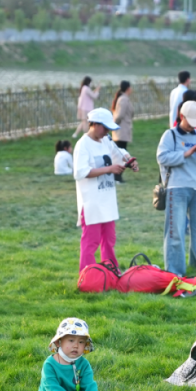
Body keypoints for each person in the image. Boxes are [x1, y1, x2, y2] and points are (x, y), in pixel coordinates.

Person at [35, 317, 162, 391]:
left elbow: (89, 386)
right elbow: (53, 389)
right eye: (71, 340)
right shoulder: (50, 364)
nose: (76, 346)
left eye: (80, 342)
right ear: (59, 342)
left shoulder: (83, 364)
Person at [73, 108, 139, 273]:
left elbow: (119, 154)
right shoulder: (83, 145)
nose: (108, 131)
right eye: (105, 127)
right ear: (94, 124)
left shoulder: (106, 141)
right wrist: (109, 169)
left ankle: (111, 272)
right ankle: (88, 276)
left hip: (107, 200)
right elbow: (80, 172)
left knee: (109, 240)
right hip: (91, 203)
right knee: (91, 242)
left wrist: (129, 161)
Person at [157, 101, 196, 276]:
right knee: (175, 232)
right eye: (191, 121)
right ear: (182, 117)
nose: (193, 126)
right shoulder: (170, 135)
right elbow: (162, 157)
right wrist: (185, 154)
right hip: (177, 187)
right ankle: (174, 272)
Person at [110, 81, 134, 183]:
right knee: (121, 155)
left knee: (120, 154)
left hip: (122, 130)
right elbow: (119, 115)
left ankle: (117, 176)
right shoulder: (123, 99)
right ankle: (117, 176)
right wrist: (114, 125)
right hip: (121, 130)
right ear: (128, 88)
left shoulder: (123, 98)